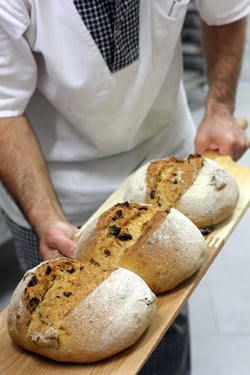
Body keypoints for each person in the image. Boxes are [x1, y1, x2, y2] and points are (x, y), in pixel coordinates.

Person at [0, 1, 249, 374]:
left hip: (164, 174)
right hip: (52, 191)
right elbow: (4, 110)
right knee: (56, 355)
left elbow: (226, 10)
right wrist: (45, 217)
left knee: (161, 331)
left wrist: (219, 108)